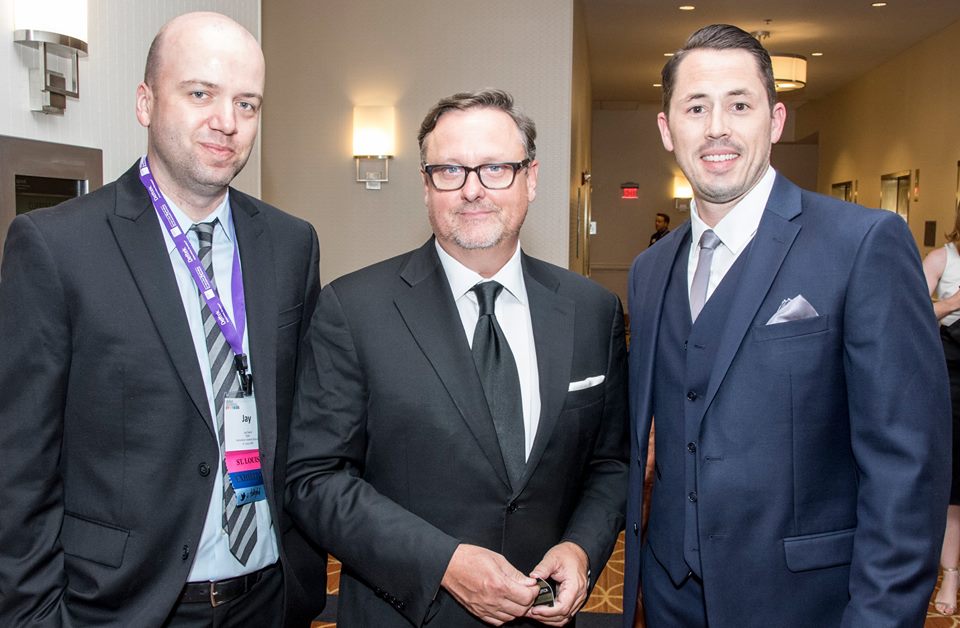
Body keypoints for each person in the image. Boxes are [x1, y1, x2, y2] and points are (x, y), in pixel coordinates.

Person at [0, 12, 326, 627]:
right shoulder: (54, 246)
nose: (226, 122)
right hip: (123, 605)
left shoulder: (291, 244)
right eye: (200, 93)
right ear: (146, 102)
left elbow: (303, 422)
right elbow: (19, 467)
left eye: (247, 103)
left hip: (270, 597)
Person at [622, 23, 950, 627]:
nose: (717, 126)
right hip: (668, 598)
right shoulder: (649, 271)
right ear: (668, 130)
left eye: (739, 105)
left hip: (801, 605)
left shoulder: (863, 244)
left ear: (774, 121)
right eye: (696, 107)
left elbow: (907, 466)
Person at [286, 88, 628, 627]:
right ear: (426, 186)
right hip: (405, 614)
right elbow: (314, 478)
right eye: (449, 170)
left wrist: (582, 548)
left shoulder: (592, 311)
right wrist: (442, 563)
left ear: (531, 179)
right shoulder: (354, 309)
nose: (472, 190)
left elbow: (611, 464)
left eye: (495, 167)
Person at [923, 215, 960, 616]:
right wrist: (951, 304)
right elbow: (910, 314)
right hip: (951, 379)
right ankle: (950, 573)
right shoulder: (942, 259)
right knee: (953, 491)